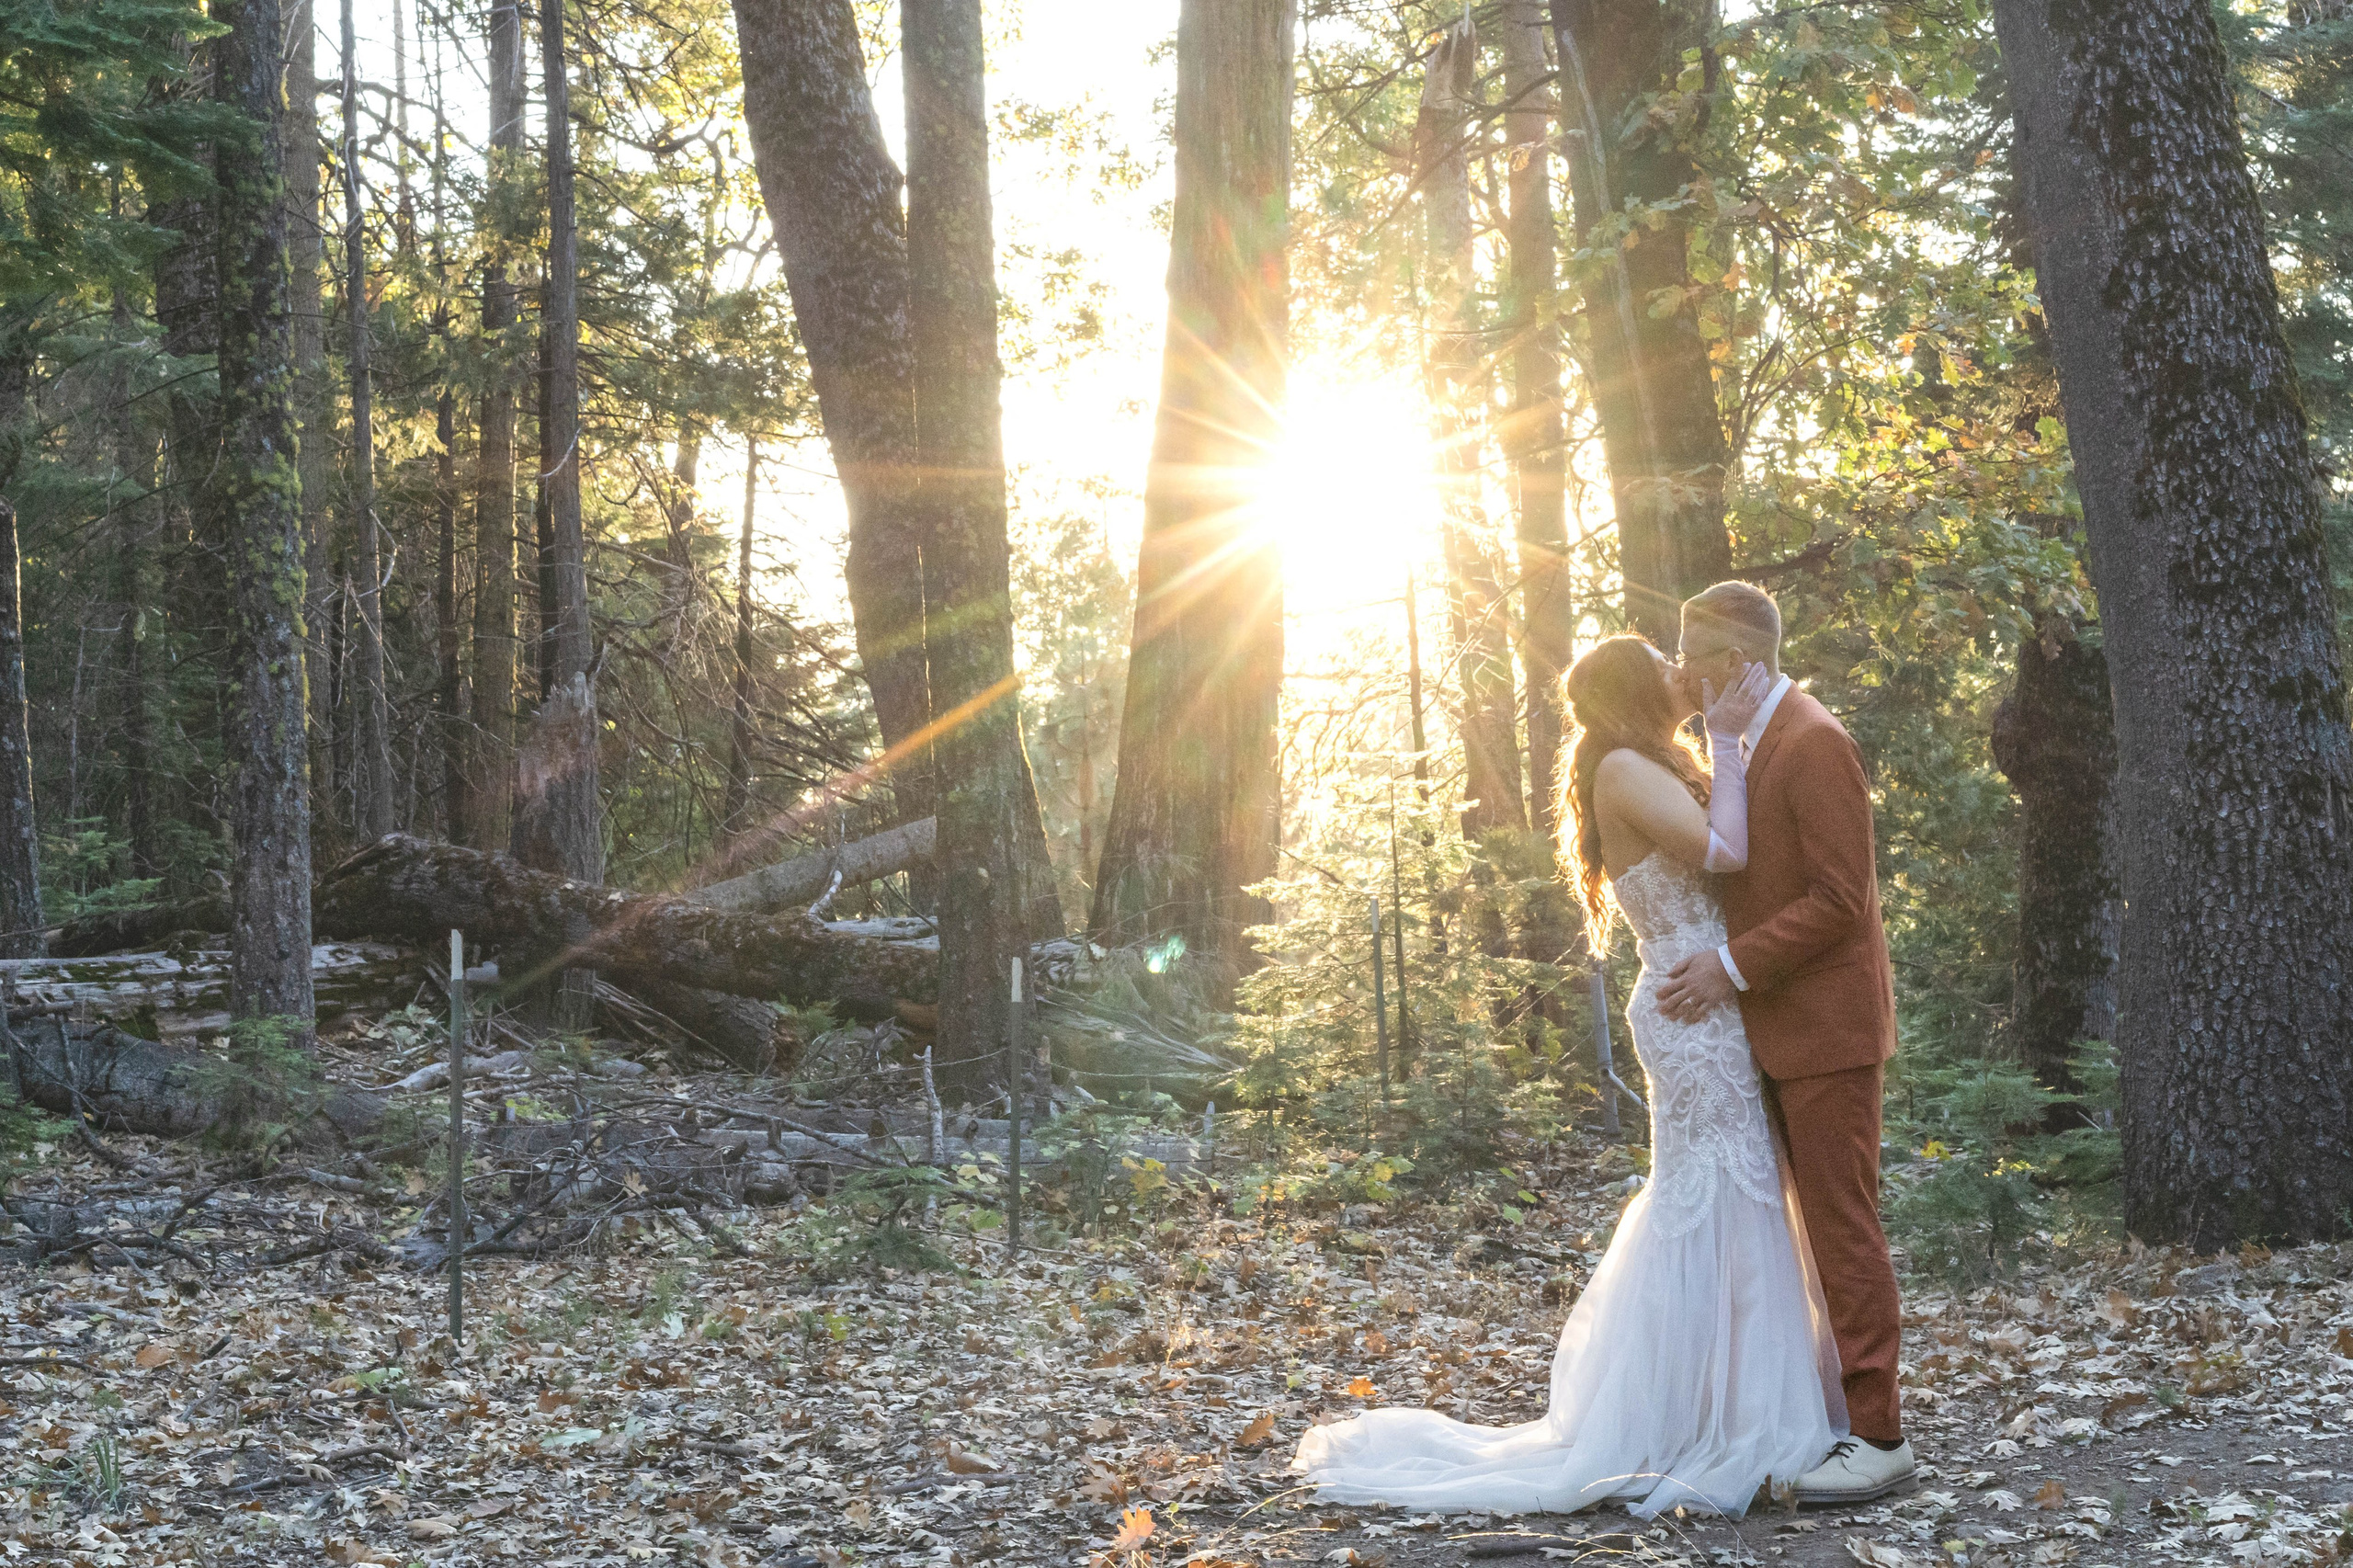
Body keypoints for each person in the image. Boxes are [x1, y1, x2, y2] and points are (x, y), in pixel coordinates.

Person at [1292, 610, 1853, 1517]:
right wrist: (1723, 736)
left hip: (1707, 994)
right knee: (1726, 1192)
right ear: (1636, 689)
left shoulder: (1647, 763)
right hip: (1690, 1004)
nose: (1681, 671)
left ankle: (1735, 1397)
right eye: (1663, 664)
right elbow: (1727, 851)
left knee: (1730, 1189)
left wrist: (1723, 744)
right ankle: (1716, 1415)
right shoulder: (1625, 768)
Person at [1656, 581, 1912, 1502]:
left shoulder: (1812, 741)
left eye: (1692, 660)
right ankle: (1829, 1414)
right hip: (1772, 1027)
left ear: (1732, 661)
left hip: (1826, 1029)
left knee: (1842, 1225)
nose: (1682, 676)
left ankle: (1879, 1434)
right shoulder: (1748, 739)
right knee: (1799, 1230)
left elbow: (1842, 901)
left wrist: (1726, 965)